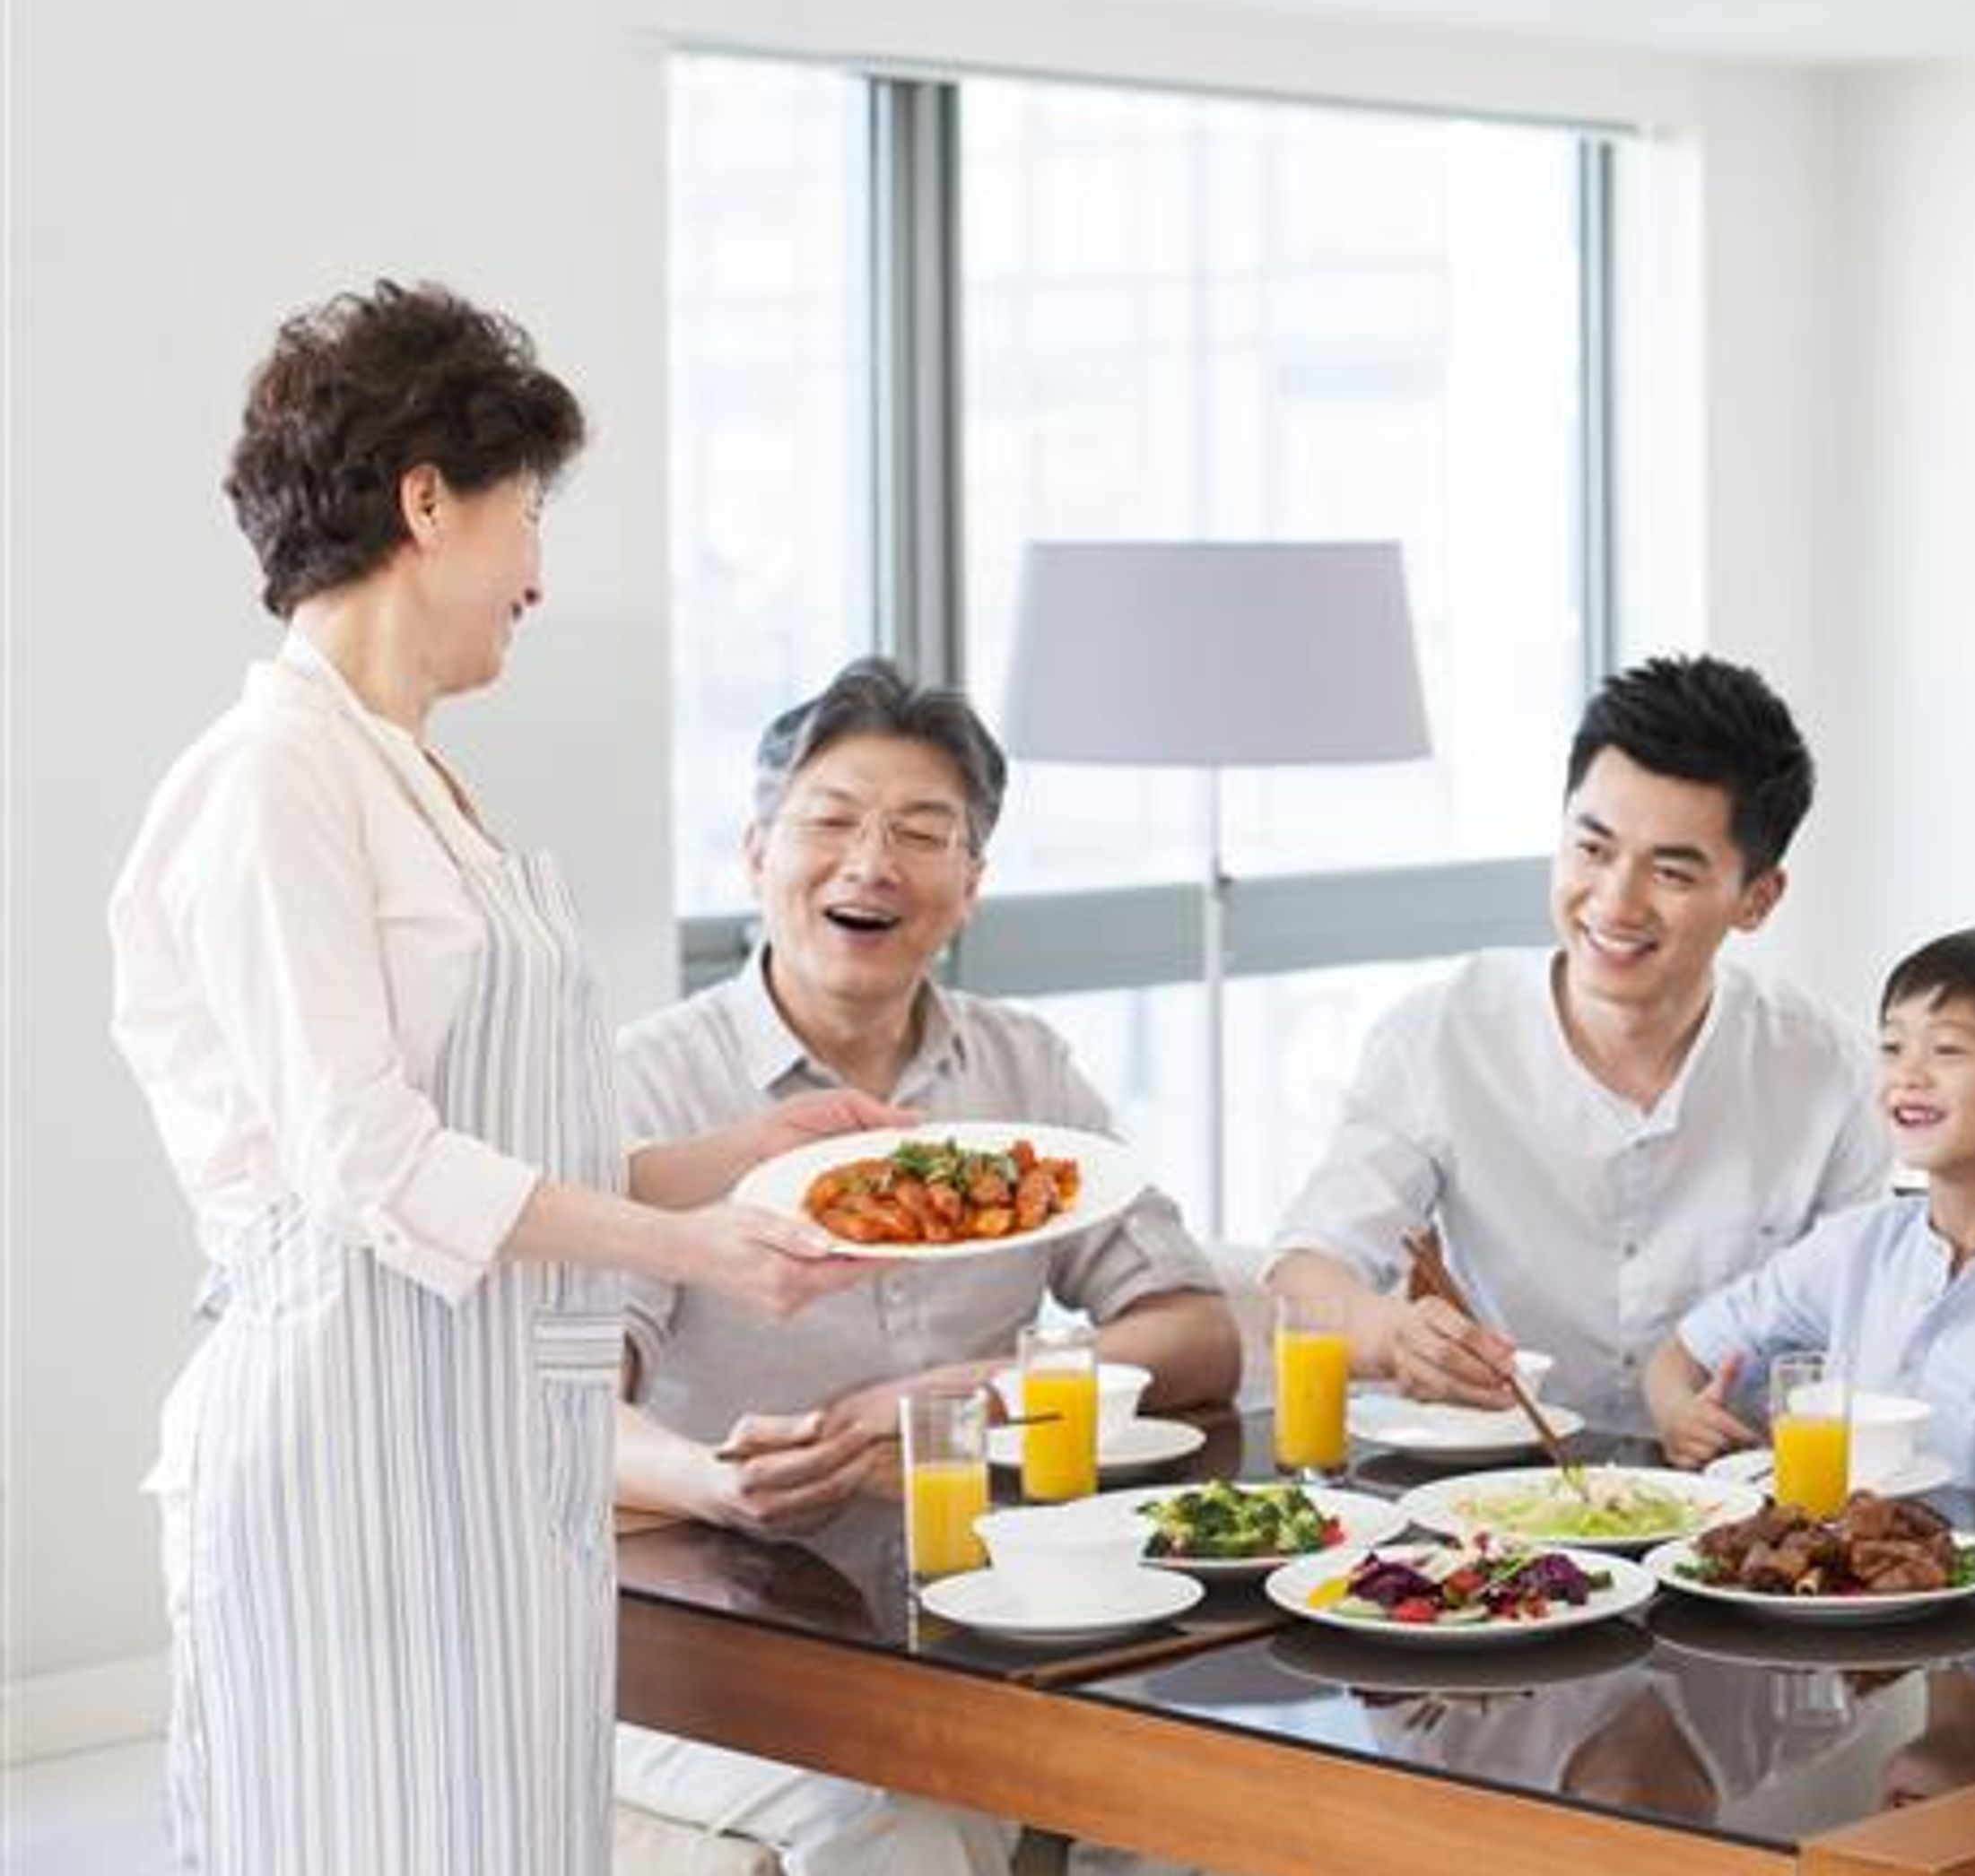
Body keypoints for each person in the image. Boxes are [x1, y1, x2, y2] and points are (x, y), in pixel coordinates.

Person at [110, 282, 889, 1875]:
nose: (537, 573)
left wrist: (746, 1154)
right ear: (425, 501)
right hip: (346, 1451)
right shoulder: (275, 780)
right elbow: (372, 1163)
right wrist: (692, 1248)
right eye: (527, 512)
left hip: (476, 1450)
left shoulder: (414, 776)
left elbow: (523, 1150)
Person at [607, 660, 1243, 1874]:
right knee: (909, 1831)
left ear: (971, 885)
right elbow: (578, 1408)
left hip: (983, 1604)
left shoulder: (1024, 1075)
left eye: (920, 832)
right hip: (717, 1614)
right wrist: (714, 1477)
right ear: (756, 853)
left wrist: (981, 1392)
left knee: (1209, 1792)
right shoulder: (653, 1089)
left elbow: (1193, 1327)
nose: (870, 862)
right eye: (831, 820)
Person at [1266, 656, 1886, 1435]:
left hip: (1741, 1510)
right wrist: (1395, 1339)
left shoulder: (1829, 1070)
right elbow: (1303, 1274)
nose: (1615, 903)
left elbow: (1863, 1329)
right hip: (1498, 1496)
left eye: (1671, 871)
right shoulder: (1442, 1037)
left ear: (1757, 899)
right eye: (1592, 850)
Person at [1643, 926, 1975, 1500]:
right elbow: (1676, 1359)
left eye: (1947, 1050)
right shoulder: (1854, 1247)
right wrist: (1679, 1415)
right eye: (1893, 1046)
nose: (1907, 1075)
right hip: (1820, 1572)